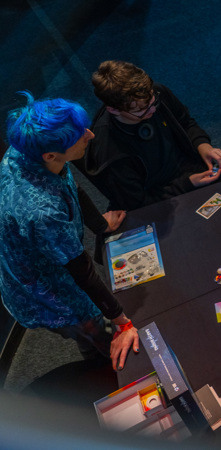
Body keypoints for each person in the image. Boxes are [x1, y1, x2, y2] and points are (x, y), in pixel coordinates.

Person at [0, 92, 138, 370]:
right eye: (80, 135)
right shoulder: (43, 212)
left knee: (92, 328)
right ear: (51, 155)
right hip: (48, 292)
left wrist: (100, 225)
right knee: (98, 334)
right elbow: (81, 270)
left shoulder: (25, 149)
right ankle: (104, 370)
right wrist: (122, 323)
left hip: (43, 262)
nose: (90, 135)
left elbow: (69, 184)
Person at [83, 60, 221, 211]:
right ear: (114, 110)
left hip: (193, 169)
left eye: (153, 102)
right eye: (142, 110)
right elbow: (138, 203)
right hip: (163, 198)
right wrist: (187, 184)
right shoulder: (110, 151)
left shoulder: (156, 92)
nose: (153, 110)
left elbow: (186, 123)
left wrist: (203, 146)